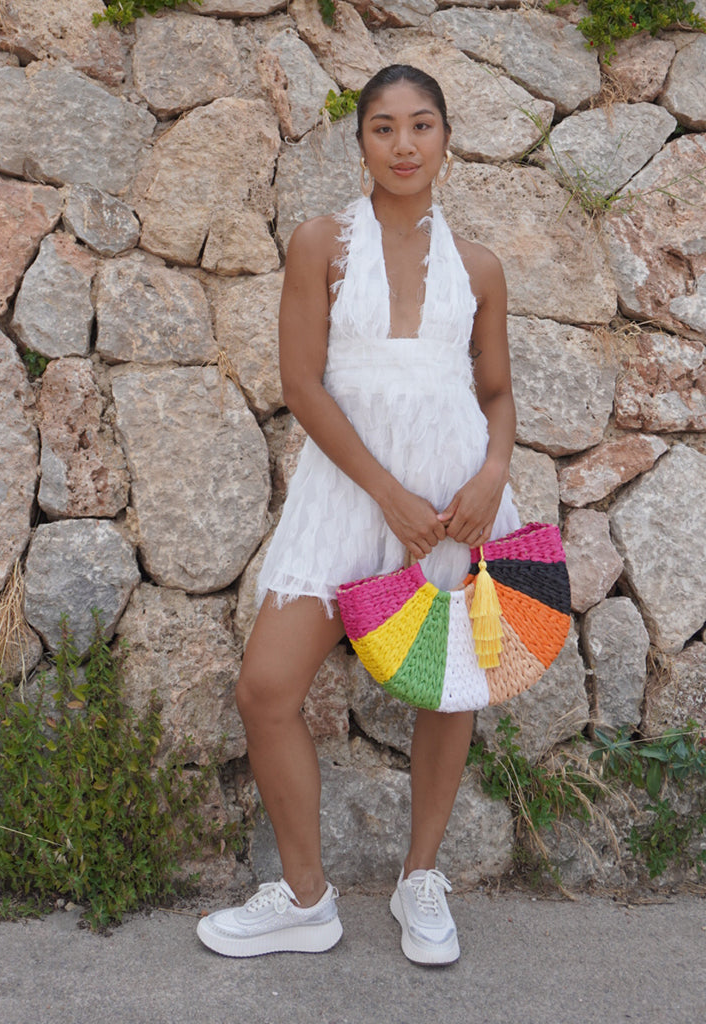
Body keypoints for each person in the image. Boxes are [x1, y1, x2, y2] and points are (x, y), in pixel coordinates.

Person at [197, 64, 519, 965]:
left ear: (446, 138)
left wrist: (493, 471)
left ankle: (421, 881)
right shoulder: (320, 244)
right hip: (348, 492)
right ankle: (306, 901)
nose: (403, 145)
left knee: (448, 686)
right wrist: (385, 494)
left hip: (455, 500)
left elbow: (495, 392)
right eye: (383, 127)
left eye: (421, 125)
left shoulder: (480, 267)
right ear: (361, 142)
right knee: (266, 689)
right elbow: (303, 385)